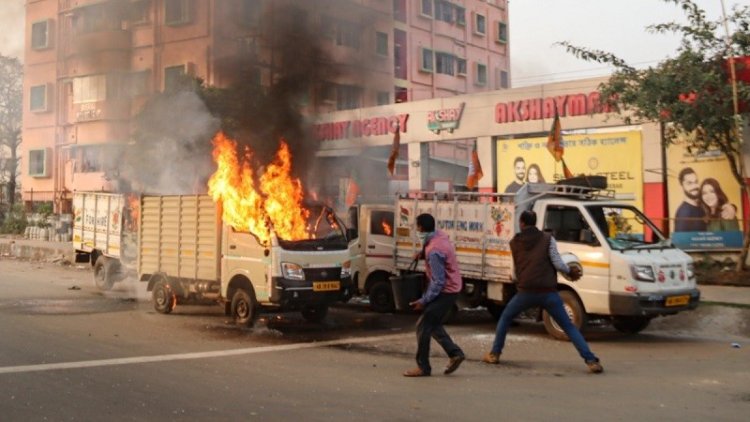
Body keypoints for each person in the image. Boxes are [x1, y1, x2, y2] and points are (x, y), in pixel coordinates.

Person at [482, 210, 603, 374]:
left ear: (522, 223)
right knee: (568, 326)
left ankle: (495, 353)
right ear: (535, 221)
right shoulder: (548, 239)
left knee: (505, 318)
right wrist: (569, 271)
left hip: (525, 292)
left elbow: (516, 269)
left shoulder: (514, 242)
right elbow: (558, 263)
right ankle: (590, 360)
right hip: (548, 292)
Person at [403, 213, 465, 377]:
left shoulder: (434, 250)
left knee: (423, 326)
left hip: (446, 290)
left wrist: (424, 300)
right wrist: (421, 254)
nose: (416, 230)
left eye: (417, 227)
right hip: (452, 287)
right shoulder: (438, 237)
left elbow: (438, 282)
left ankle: (423, 367)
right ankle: (455, 353)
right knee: (433, 324)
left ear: (422, 228)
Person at [674, 167, 706, 232]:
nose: (694, 186)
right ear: (682, 186)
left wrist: (731, 207)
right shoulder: (683, 213)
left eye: (696, 182)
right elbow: (680, 241)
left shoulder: (703, 204)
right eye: (689, 183)